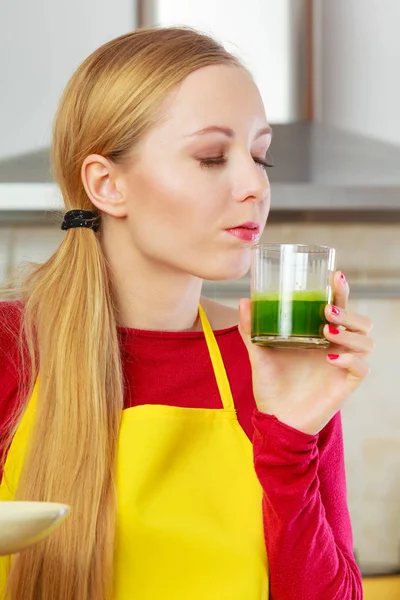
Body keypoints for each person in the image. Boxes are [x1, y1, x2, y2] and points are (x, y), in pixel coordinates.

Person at [0, 26, 374, 600]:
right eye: (210, 158)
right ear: (107, 184)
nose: (254, 186)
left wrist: (291, 437)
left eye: (259, 157)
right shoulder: (11, 349)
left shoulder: (279, 359)